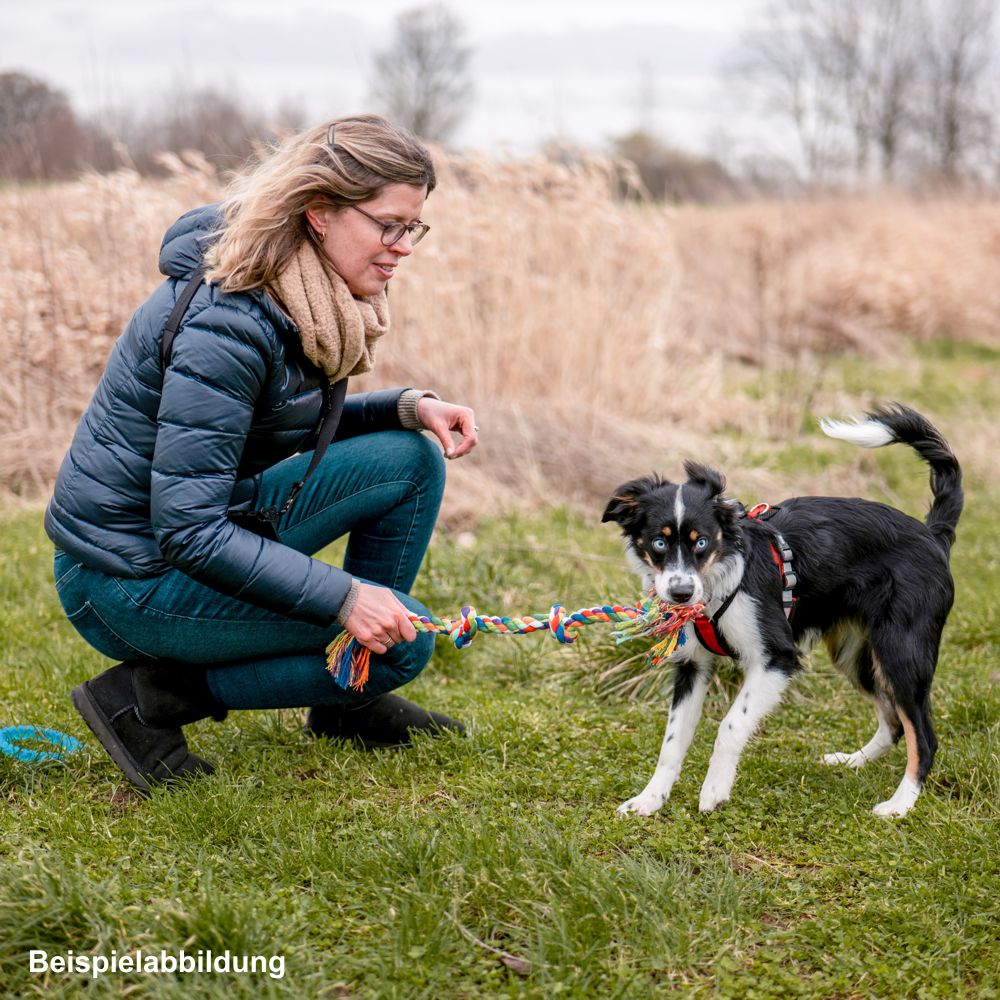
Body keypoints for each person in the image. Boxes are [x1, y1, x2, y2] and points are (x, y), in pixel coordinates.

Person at [44, 114, 477, 795]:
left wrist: (402, 408)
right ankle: (148, 701)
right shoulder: (229, 320)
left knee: (409, 460)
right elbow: (188, 530)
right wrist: (346, 599)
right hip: (125, 580)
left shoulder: (297, 291)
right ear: (320, 213)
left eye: (412, 227)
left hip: (187, 532)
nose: (403, 247)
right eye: (388, 225)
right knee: (407, 639)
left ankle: (346, 698)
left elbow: (272, 419)